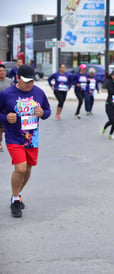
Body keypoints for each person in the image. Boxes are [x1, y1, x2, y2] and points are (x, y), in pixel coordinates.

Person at [0, 64, 51, 218]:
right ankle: (15, 199)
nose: (29, 84)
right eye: (26, 81)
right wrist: (5, 118)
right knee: (20, 168)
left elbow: (47, 111)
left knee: (28, 170)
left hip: (32, 138)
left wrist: (43, 112)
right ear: (17, 78)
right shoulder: (6, 94)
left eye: (31, 81)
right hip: (14, 137)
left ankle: (17, 194)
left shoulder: (39, 92)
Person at [0, 64, 14, 152]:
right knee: (0, 128)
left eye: (3, 71)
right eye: (0, 71)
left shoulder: (10, 81)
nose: (2, 72)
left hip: (8, 108)